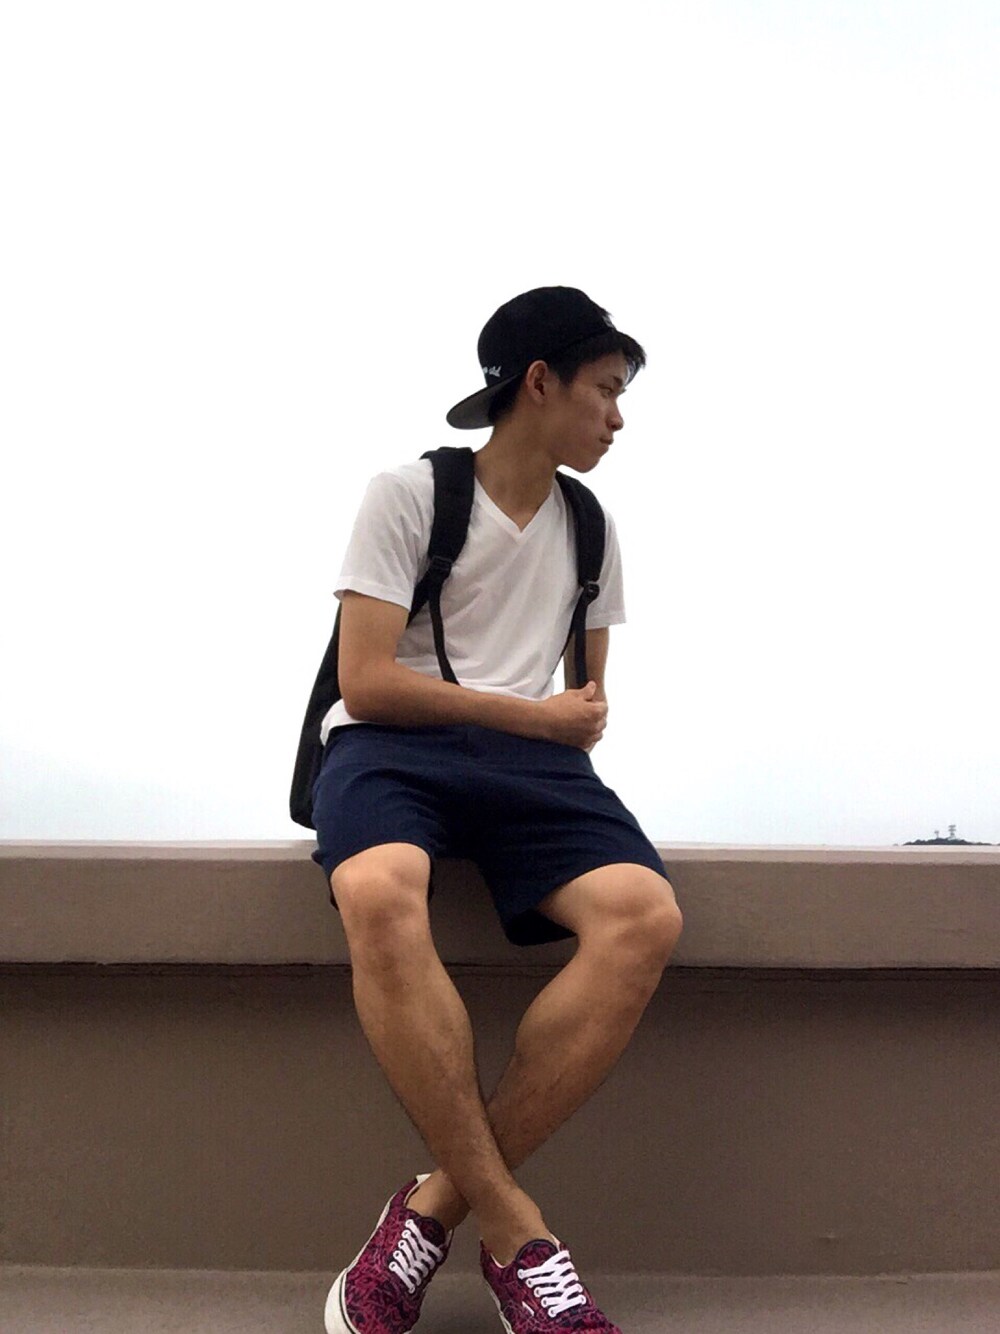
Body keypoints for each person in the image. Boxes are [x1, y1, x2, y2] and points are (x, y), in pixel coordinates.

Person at [313, 286, 683, 1334]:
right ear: (540, 383)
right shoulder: (407, 495)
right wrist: (531, 717)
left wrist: (558, 722)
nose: (618, 417)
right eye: (605, 389)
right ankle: (521, 1235)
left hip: (529, 771)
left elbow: (585, 704)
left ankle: (429, 1212)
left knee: (645, 916)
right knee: (380, 889)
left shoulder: (590, 528)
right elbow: (365, 681)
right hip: (390, 749)